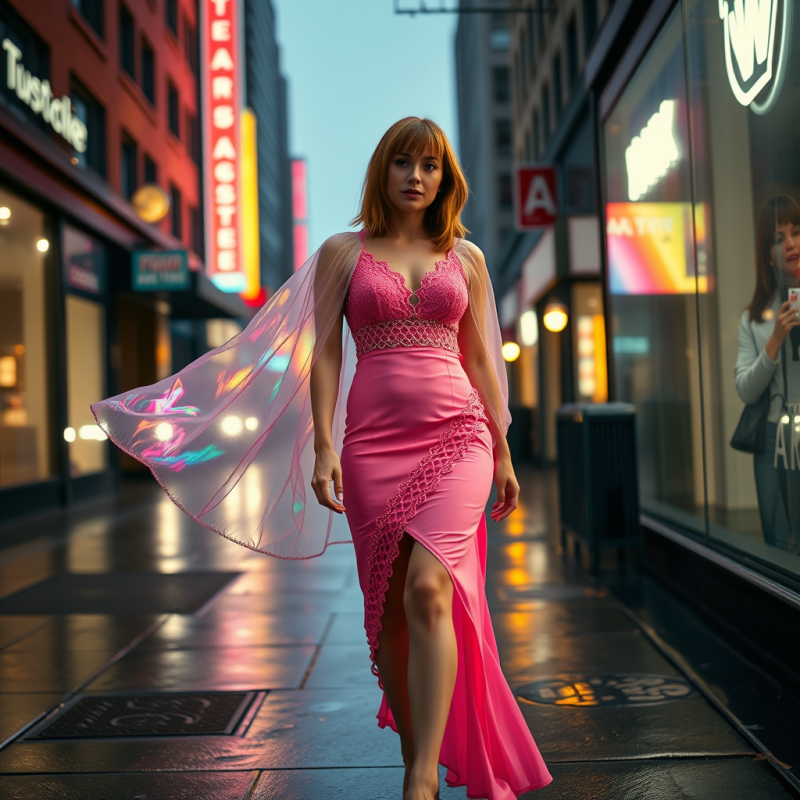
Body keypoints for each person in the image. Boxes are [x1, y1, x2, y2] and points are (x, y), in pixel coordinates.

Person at [91, 117, 552, 800]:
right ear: (382, 172)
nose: (416, 177)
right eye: (403, 163)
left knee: (432, 589)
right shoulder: (344, 252)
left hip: (460, 435)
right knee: (391, 609)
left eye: (429, 166)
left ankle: (422, 778)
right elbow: (326, 352)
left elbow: (481, 359)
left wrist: (504, 451)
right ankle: (415, 749)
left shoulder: (469, 259)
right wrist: (324, 444)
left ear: (444, 178)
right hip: (372, 443)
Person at [735, 194, 800, 553]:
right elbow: (745, 389)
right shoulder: (755, 318)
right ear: (767, 254)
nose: (790, 244)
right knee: (778, 541)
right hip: (775, 433)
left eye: (796, 232)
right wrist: (774, 341)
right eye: (779, 238)